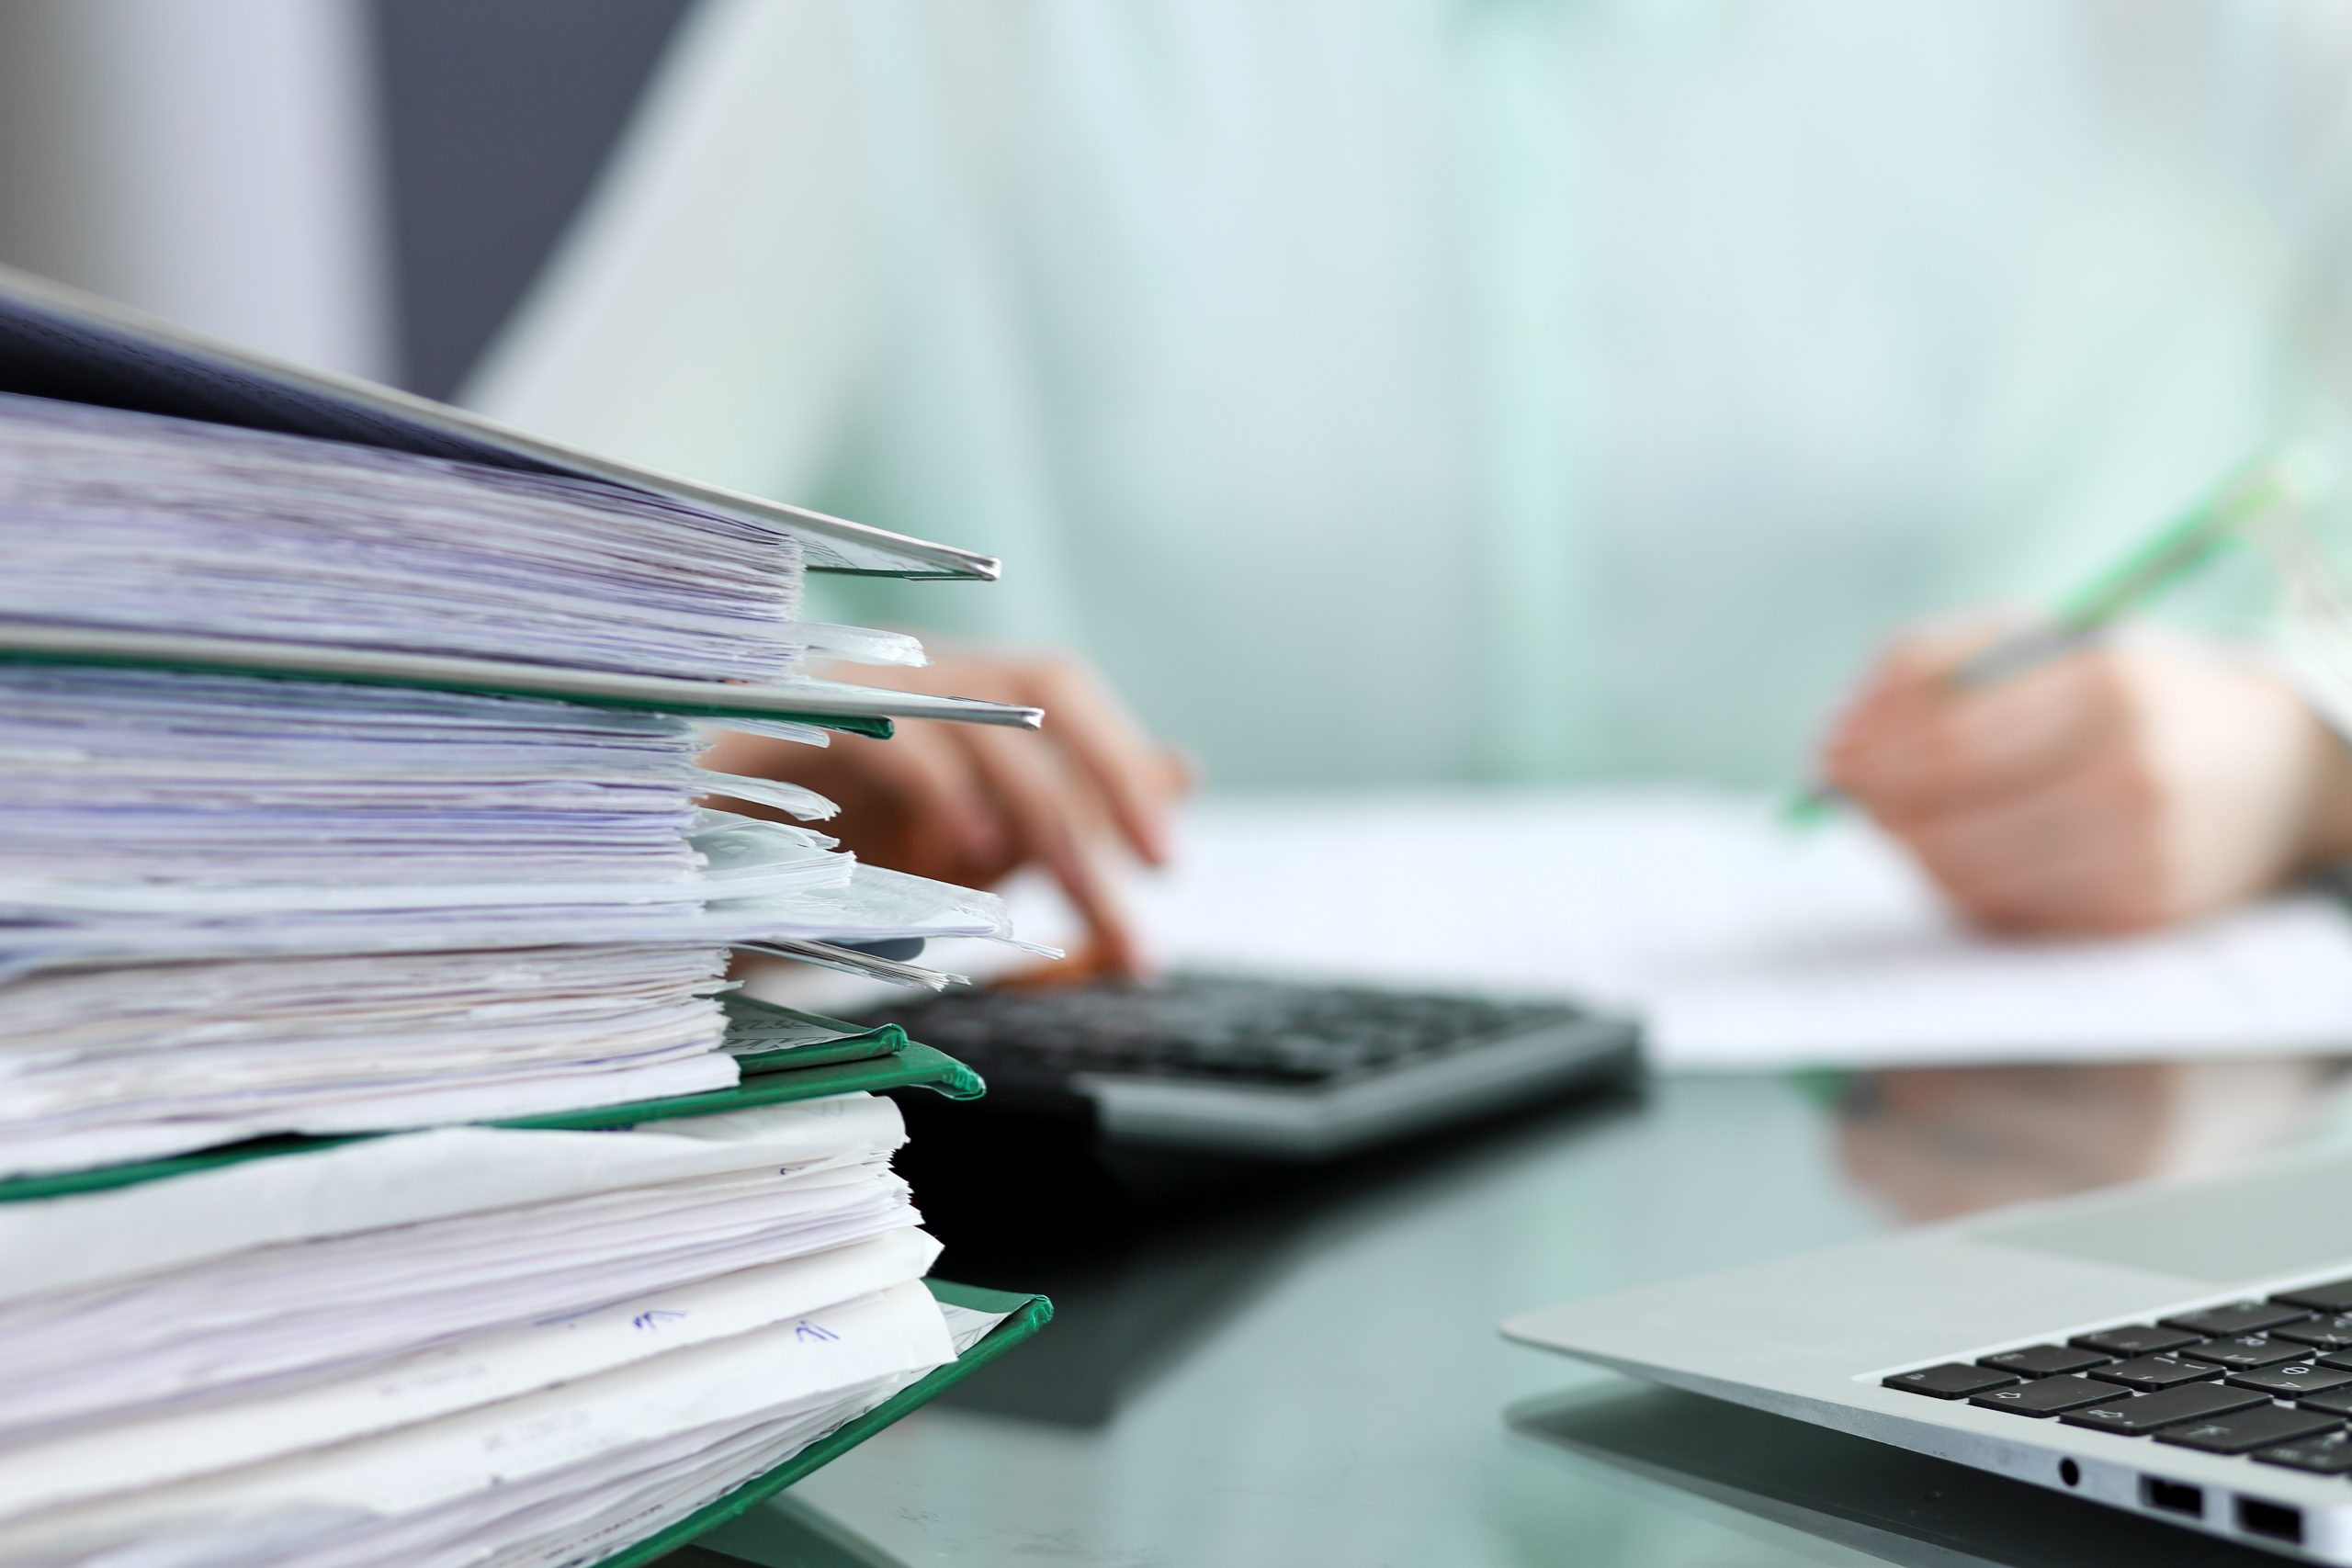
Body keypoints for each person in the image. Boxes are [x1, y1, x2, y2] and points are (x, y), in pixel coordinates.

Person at [468, 0, 2352, 966]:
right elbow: (437, 629)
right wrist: (767, 714)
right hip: (1119, 1266)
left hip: (2022, 1211)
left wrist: (2299, 754)